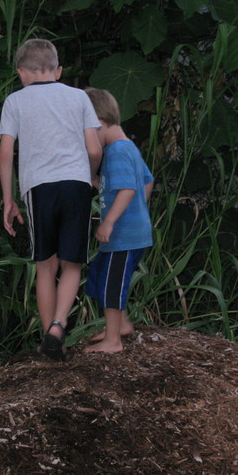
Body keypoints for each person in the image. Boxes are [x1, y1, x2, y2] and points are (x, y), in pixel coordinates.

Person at [0, 38, 102, 360]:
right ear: (58, 71)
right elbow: (94, 149)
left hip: (39, 188)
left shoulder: (15, 101)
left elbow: (5, 152)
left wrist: (9, 199)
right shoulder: (78, 97)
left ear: (21, 73)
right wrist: (91, 177)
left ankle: (51, 344)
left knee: (45, 265)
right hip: (76, 183)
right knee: (72, 263)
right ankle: (59, 325)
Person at [83, 87, 154, 353]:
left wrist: (109, 221)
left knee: (112, 283)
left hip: (123, 235)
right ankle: (121, 324)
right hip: (131, 233)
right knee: (101, 274)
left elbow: (127, 189)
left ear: (98, 123)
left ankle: (113, 340)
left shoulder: (116, 152)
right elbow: (147, 181)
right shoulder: (128, 147)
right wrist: (136, 208)